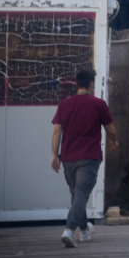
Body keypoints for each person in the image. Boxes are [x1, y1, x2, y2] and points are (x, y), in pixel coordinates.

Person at [51, 69, 117, 248]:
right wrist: (114, 141)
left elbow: (57, 131)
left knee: (76, 195)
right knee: (81, 194)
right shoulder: (98, 104)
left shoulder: (65, 104)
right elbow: (110, 129)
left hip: (68, 158)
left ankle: (84, 231)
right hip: (88, 157)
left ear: (76, 84)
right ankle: (69, 230)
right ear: (91, 84)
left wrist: (54, 155)